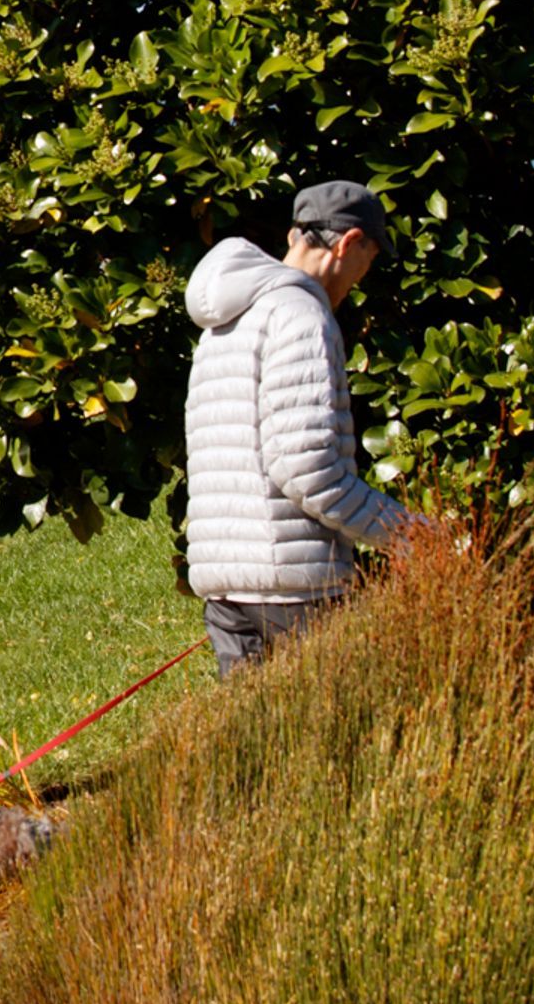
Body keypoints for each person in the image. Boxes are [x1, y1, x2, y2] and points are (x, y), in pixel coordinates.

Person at [182, 181, 426, 677]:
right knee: (332, 743)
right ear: (348, 243)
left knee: (253, 747)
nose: (362, 275)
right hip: (292, 589)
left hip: (225, 583)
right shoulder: (301, 314)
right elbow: (307, 470)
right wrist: (411, 535)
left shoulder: (229, 318)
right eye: (370, 258)